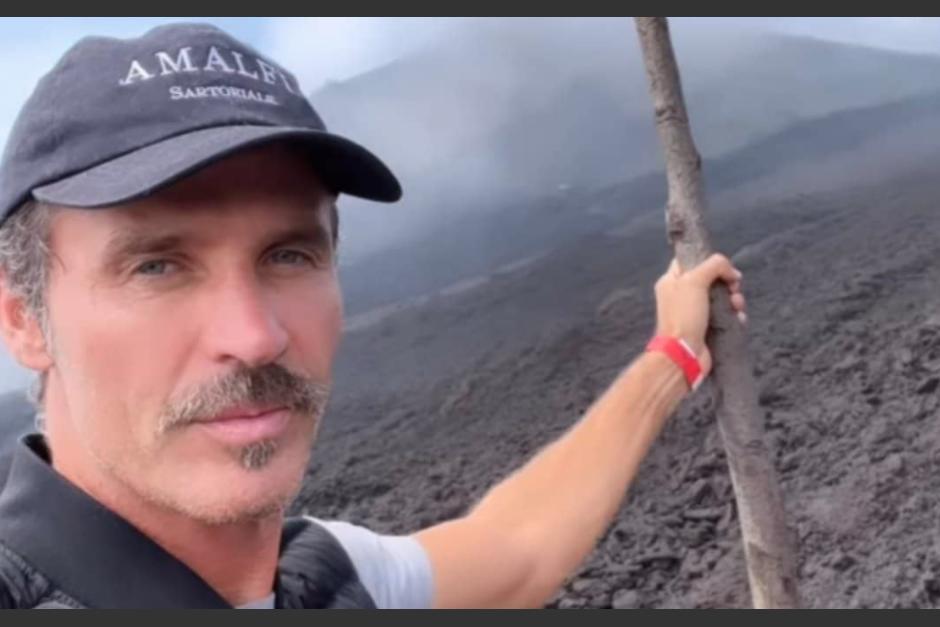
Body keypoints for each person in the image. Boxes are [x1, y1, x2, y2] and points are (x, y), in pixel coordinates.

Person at [0, 23, 746, 608]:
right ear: (21, 317)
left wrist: (673, 355)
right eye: (156, 265)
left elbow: (514, 548)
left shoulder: (328, 580)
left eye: (289, 255)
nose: (256, 335)